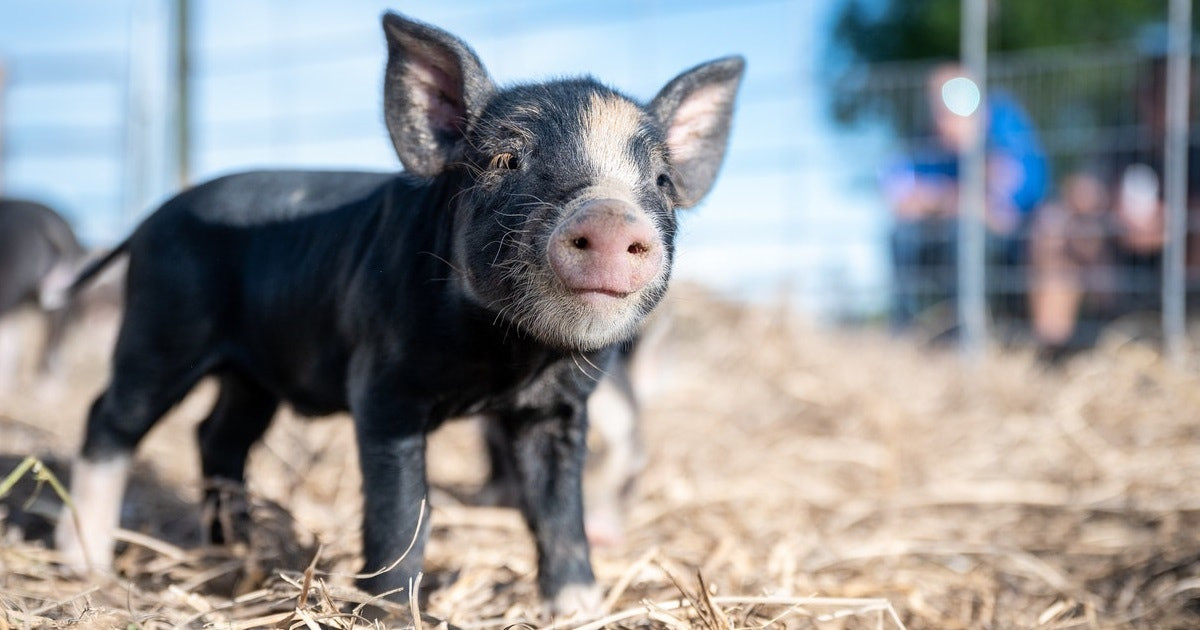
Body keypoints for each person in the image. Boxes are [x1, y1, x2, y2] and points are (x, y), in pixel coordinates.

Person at [1028, 50, 1200, 359]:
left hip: (1181, 255)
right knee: (1054, 226)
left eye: (1178, 93)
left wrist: (1171, 223)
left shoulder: (1195, 149)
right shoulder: (1122, 141)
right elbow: (1080, 188)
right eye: (1158, 93)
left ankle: (1184, 339)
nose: (1166, 104)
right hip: (1118, 256)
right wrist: (1108, 206)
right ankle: (1053, 354)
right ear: (1142, 95)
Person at [883, 63, 1049, 333]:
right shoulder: (923, 139)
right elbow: (901, 197)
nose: (943, 114)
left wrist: (947, 192)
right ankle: (907, 332)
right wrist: (958, 196)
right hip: (942, 230)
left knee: (962, 234)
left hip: (1010, 233)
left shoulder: (1003, 121)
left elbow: (1006, 206)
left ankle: (967, 333)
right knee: (902, 236)